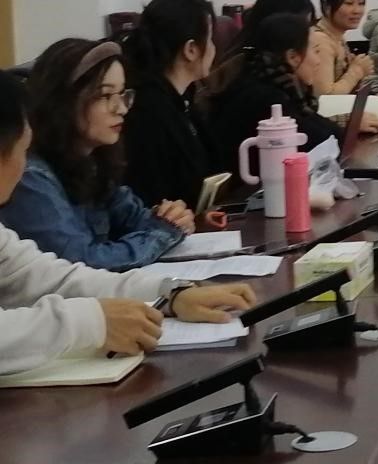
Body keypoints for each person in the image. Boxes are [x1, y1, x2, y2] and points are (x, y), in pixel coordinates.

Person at [0, 70, 256, 374]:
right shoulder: (37, 178)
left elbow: (55, 279)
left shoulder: (94, 164)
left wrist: (170, 294)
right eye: (23, 150)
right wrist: (90, 322)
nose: (25, 165)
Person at [0, 39, 196, 270]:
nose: (121, 108)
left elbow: (137, 219)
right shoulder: (30, 176)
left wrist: (170, 218)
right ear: (63, 101)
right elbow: (82, 262)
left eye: (122, 94)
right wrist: (164, 232)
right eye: (105, 95)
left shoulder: (92, 160)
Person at [120, 0, 221, 207]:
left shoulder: (182, 100)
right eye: (210, 39)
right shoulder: (147, 110)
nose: (214, 48)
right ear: (191, 49)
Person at [209, 13, 342, 162]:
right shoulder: (265, 97)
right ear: (292, 57)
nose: (318, 61)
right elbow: (320, 140)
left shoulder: (270, 80)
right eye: (316, 51)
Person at [310, 0, 375, 95]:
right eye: (349, 3)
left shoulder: (336, 36)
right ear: (327, 6)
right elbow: (326, 97)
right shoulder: (320, 40)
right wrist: (357, 71)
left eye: (361, 3)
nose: (357, 10)